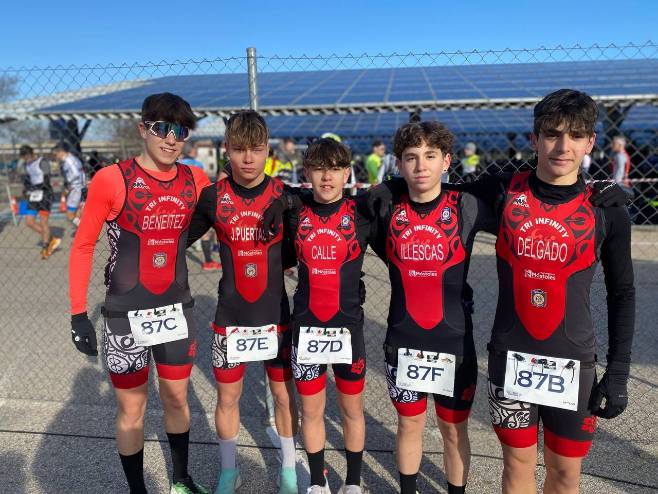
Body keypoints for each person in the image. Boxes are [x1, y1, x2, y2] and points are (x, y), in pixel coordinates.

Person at [450, 89, 635, 494]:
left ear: (591, 142)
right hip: (511, 359)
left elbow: (622, 294)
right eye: (552, 134)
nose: (563, 146)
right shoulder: (503, 192)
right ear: (535, 139)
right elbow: (435, 191)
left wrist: (619, 371)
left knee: (565, 474)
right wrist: (389, 189)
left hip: (573, 364)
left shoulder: (607, 209)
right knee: (516, 466)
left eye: (576, 135)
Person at [68, 92, 211, 494]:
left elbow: (228, 211)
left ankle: (181, 480)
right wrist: (78, 314)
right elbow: (82, 246)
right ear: (143, 129)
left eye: (180, 131)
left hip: (176, 310)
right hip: (125, 314)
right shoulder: (111, 179)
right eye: (162, 128)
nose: (171, 138)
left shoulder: (196, 180)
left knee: (177, 400)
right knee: (132, 411)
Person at [368, 122, 497, 494]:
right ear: (399, 164)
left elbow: (515, 190)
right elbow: (328, 203)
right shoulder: (386, 206)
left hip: (454, 344)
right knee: (409, 425)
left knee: (453, 430)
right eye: (411, 157)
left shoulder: (466, 205)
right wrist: (385, 188)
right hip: (404, 341)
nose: (421, 165)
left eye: (430, 156)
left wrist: (591, 189)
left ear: (446, 161)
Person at [186, 110, 299, 494]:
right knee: (228, 397)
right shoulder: (214, 197)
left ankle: (288, 470)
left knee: (282, 395)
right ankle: (228, 471)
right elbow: (174, 240)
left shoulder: (284, 195)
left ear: (268, 150)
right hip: (230, 318)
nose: (248, 158)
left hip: (275, 317)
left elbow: (325, 219)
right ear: (226, 151)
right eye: (239, 150)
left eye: (256, 149)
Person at [264, 138, 373, 493]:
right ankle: (317, 482)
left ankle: (353, 483)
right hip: (307, 328)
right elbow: (279, 195)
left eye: (335, 170)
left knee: (351, 410)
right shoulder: (297, 211)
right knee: (311, 411)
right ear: (307, 172)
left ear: (347, 173)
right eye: (319, 169)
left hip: (348, 330)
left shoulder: (361, 213)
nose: (327, 178)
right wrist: (283, 201)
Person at [180, 142, 221, 270]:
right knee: (205, 233)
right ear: (191, 151)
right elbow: (204, 186)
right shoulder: (197, 165)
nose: (196, 151)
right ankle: (208, 261)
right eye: (195, 149)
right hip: (196, 202)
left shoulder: (177, 163)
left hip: (180, 202)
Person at [19, 145, 60, 259]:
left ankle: (46, 246)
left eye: (26, 157)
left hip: (45, 195)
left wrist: (34, 187)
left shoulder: (42, 161)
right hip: (34, 195)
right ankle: (51, 239)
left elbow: (46, 180)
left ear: (31, 154)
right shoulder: (26, 164)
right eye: (23, 158)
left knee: (43, 222)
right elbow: (27, 180)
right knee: (29, 222)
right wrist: (26, 188)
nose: (25, 159)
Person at [53, 142, 86, 224]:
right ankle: (83, 229)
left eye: (56, 154)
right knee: (78, 214)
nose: (56, 156)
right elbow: (81, 173)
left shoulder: (69, 160)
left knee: (70, 215)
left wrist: (68, 182)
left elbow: (76, 174)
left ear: (61, 152)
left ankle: (85, 229)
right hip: (80, 187)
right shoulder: (74, 159)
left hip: (75, 189)